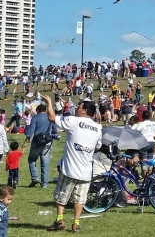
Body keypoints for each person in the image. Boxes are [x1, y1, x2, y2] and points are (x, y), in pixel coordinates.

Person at [45, 94, 102, 232]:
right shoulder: (98, 128)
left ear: (85, 111)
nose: (77, 108)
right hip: (86, 170)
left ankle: (59, 220)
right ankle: (76, 223)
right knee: (80, 198)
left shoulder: (73, 121)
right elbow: (98, 147)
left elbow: (52, 118)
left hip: (70, 168)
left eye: (79, 106)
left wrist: (49, 103)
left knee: (61, 195)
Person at [23, 104, 53, 188]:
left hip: (37, 141)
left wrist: (26, 141)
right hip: (47, 141)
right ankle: (44, 183)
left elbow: (31, 130)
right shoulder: (49, 117)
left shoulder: (35, 118)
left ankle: (35, 177)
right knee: (45, 163)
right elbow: (52, 129)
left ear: (38, 110)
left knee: (32, 159)